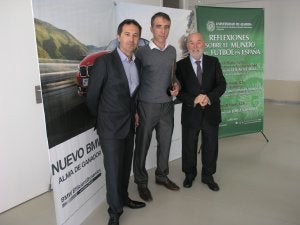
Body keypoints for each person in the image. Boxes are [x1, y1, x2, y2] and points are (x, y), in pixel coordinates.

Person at [86, 19, 146, 225]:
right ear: (119, 36)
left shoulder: (137, 62)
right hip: (110, 128)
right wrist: (102, 120)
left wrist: (134, 112)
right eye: (127, 34)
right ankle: (114, 211)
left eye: (135, 35)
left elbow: (132, 95)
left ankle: (124, 198)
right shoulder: (105, 62)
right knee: (112, 170)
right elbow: (92, 97)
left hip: (129, 125)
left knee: (124, 167)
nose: (131, 39)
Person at [133, 12, 180, 202]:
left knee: (165, 143)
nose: (163, 30)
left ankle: (161, 176)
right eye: (159, 26)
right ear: (151, 29)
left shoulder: (172, 51)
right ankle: (141, 182)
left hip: (167, 106)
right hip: (146, 106)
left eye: (166, 26)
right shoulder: (141, 53)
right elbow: (134, 83)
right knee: (142, 145)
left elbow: (173, 77)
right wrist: (135, 109)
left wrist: (177, 86)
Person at [175, 32, 226, 191]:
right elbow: (178, 91)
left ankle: (208, 176)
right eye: (191, 42)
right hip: (191, 113)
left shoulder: (214, 62)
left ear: (204, 44)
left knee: (210, 146)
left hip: (211, 113)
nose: (195, 46)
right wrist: (193, 99)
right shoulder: (180, 66)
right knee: (189, 145)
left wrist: (209, 97)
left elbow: (222, 84)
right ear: (187, 46)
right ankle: (189, 174)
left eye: (198, 42)